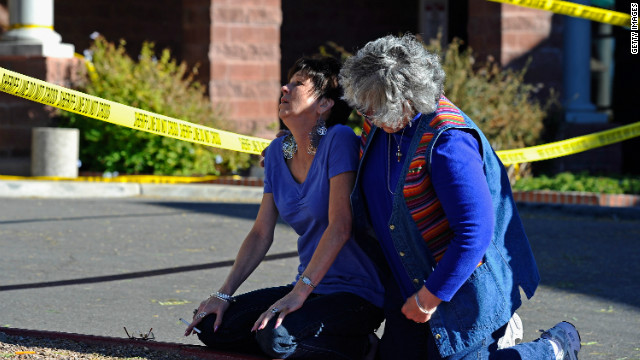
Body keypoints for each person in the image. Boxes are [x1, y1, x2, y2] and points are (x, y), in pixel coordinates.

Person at [339, 34, 582, 360]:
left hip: (461, 294)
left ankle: (551, 349)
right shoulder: (383, 125)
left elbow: (474, 234)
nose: (365, 114)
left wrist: (428, 299)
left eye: (372, 106)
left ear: (405, 100)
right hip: (406, 287)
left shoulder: (449, 142)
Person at [184, 56, 384, 360]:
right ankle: (308, 339)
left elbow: (340, 226)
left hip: (356, 294)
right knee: (211, 326)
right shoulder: (278, 152)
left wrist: (299, 293)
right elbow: (261, 233)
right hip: (309, 289)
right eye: (288, 82)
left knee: (275, 338)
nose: (284, 88)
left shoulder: (338, 140)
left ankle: (364, 347)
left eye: (298, 84)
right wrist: (223, 294)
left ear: (324, 105)